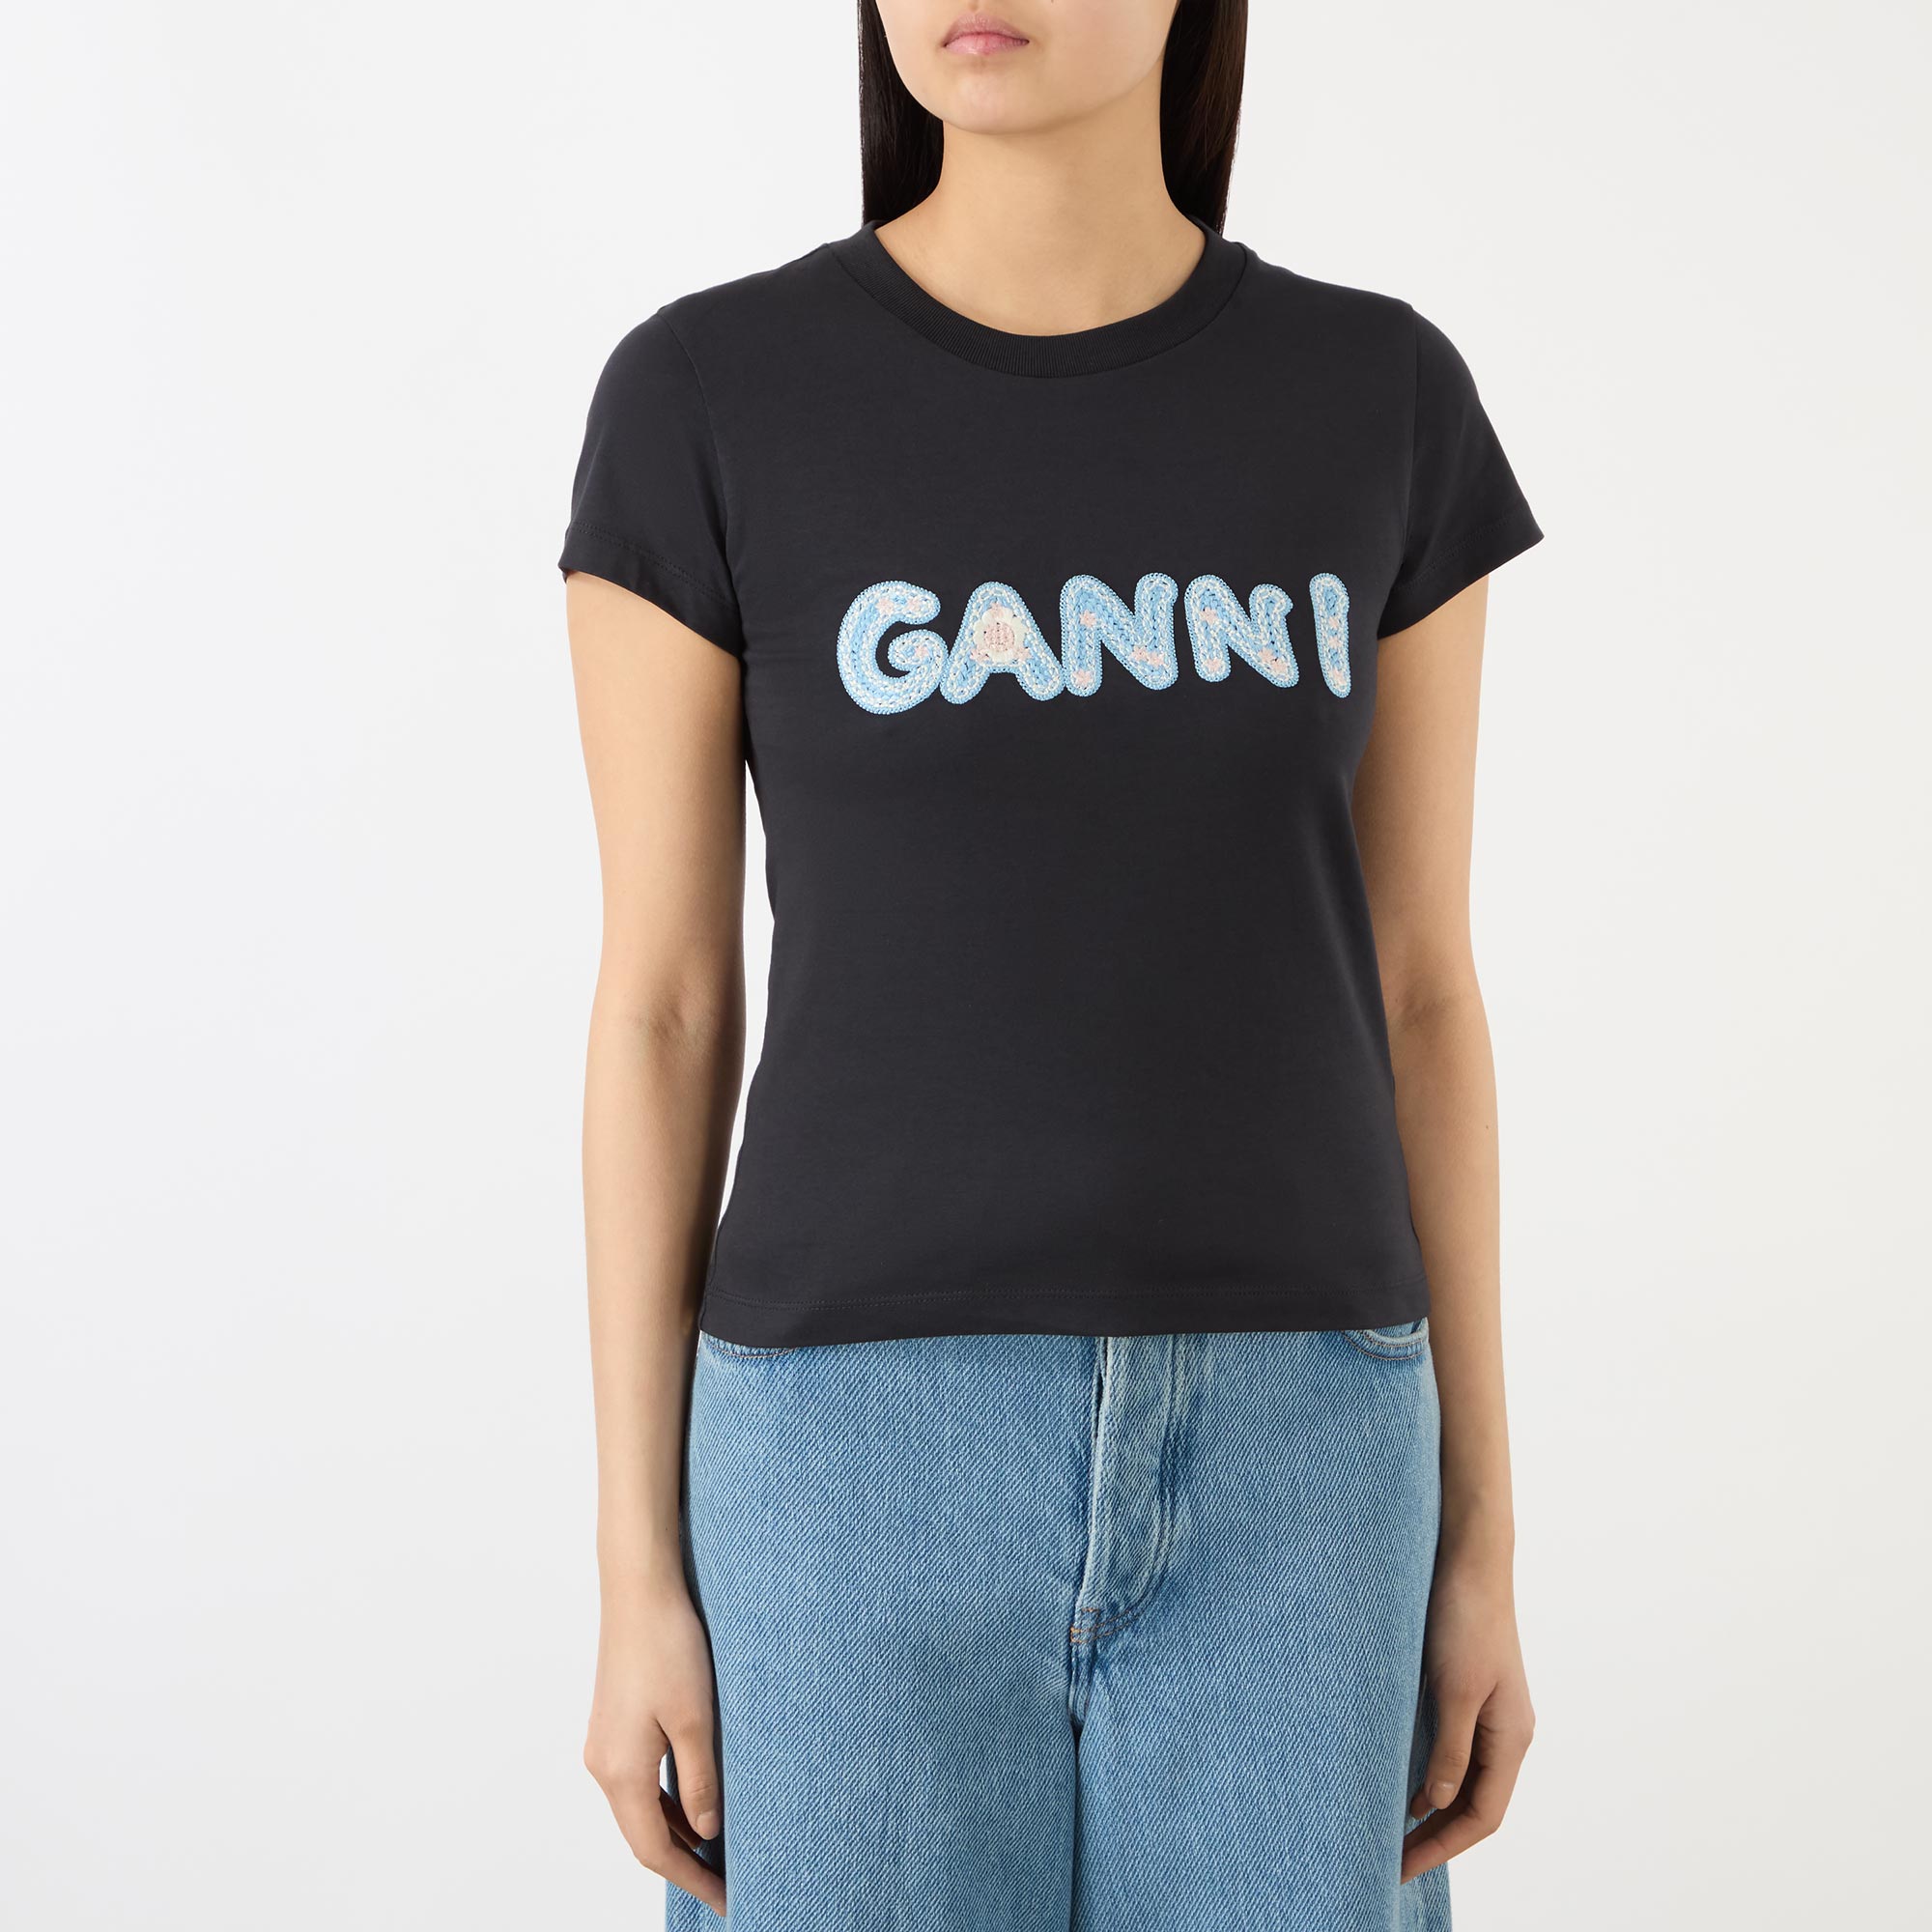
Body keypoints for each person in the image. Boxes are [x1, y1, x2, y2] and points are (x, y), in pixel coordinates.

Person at [559, 4, 1541, 1925]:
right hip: (842, 1460)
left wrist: (1482, 1538)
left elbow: (1422, 984)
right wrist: (636, 1568)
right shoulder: (708, 396)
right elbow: (664, 1002)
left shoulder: (1379, 396)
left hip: (1308, 1452)